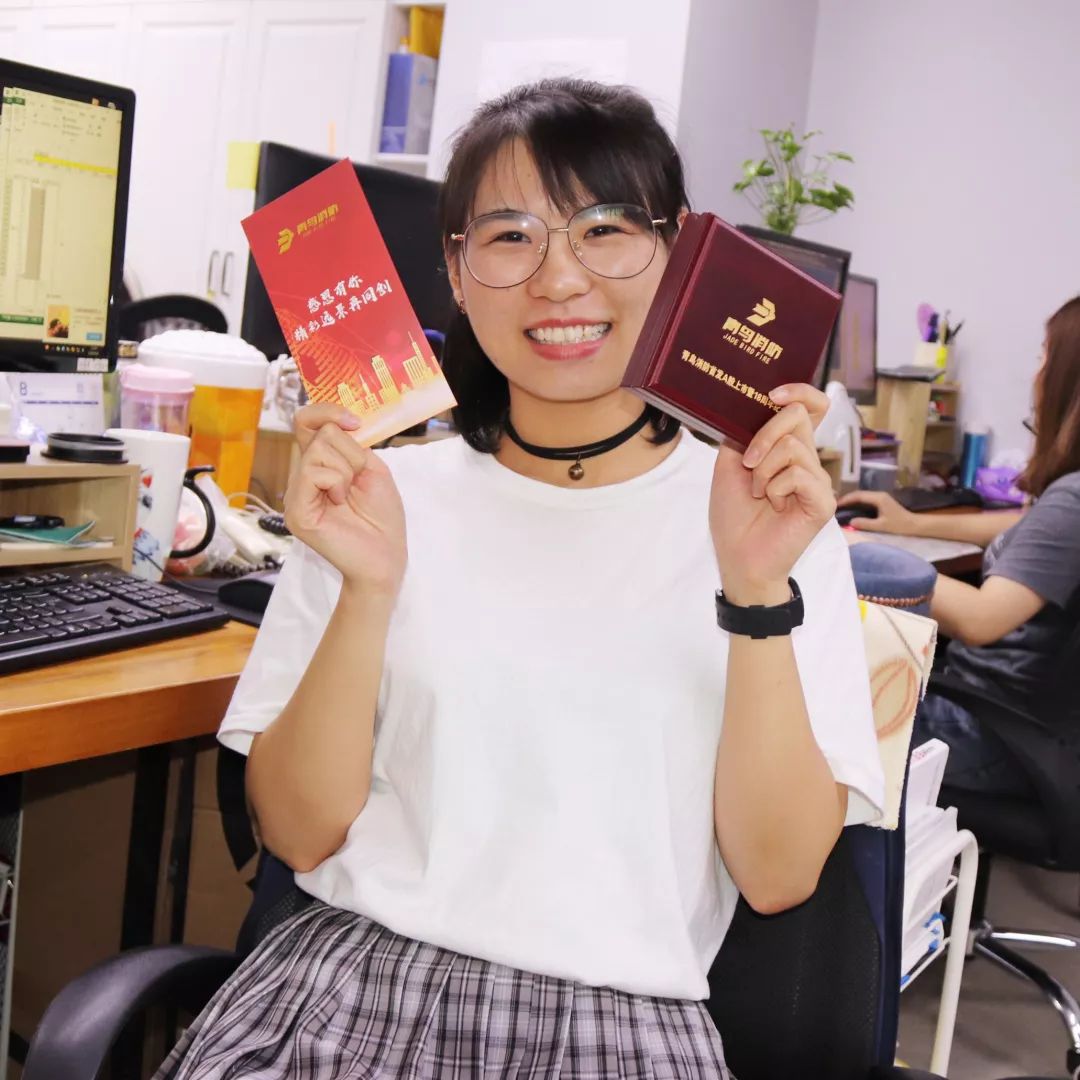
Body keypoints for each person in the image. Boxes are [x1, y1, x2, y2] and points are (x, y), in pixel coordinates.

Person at [155, 78, 883, 1079]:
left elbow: (778, 874)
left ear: (678, 255)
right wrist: (367, 590)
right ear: (456, 273)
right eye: (510, 237)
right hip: (344, 987)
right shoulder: (375, 499)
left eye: (605, 229)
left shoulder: (768, 522)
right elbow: (296, 831)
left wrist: (755, 593)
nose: (560, 279)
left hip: (620, 1027)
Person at [838, 295, 1080, 795]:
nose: (1036, 372)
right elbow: (1029, 526)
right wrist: (909, 523)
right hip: (1017, 723)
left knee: (804, 696)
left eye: (1044, 356)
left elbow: (980, 619)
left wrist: (848, 547)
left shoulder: (1072, 501)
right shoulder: (1066, 504)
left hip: (988, 732)